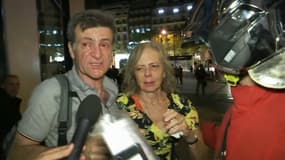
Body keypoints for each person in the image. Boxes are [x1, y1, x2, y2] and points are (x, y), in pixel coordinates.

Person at [8, 9, 118, 160]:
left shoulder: (113, 88)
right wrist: (68, 153)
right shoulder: (51, 92)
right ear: (72, 50)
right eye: (86, 44)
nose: (97, 54)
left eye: (104, 45)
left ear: (112, 49)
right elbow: (16, 152)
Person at [201, 1, 285, 160]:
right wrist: (199, 128)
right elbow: (231, 138)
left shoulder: (267, 122)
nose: (206, 57)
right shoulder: (252, 99)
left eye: (212, 50)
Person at [116, 41, 210, 160]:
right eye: (140, 68)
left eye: (154, 66)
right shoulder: (120, 106)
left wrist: (189, 134)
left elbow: (204, 157)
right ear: (134, 74)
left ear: (164, 71)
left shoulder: (182, 105)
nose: (147, 74)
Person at [0, 74, 22, 159]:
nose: (15, 87)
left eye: (17, 84)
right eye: (11, 84)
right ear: (3, 85)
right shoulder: (4, 102)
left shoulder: (12, 101)